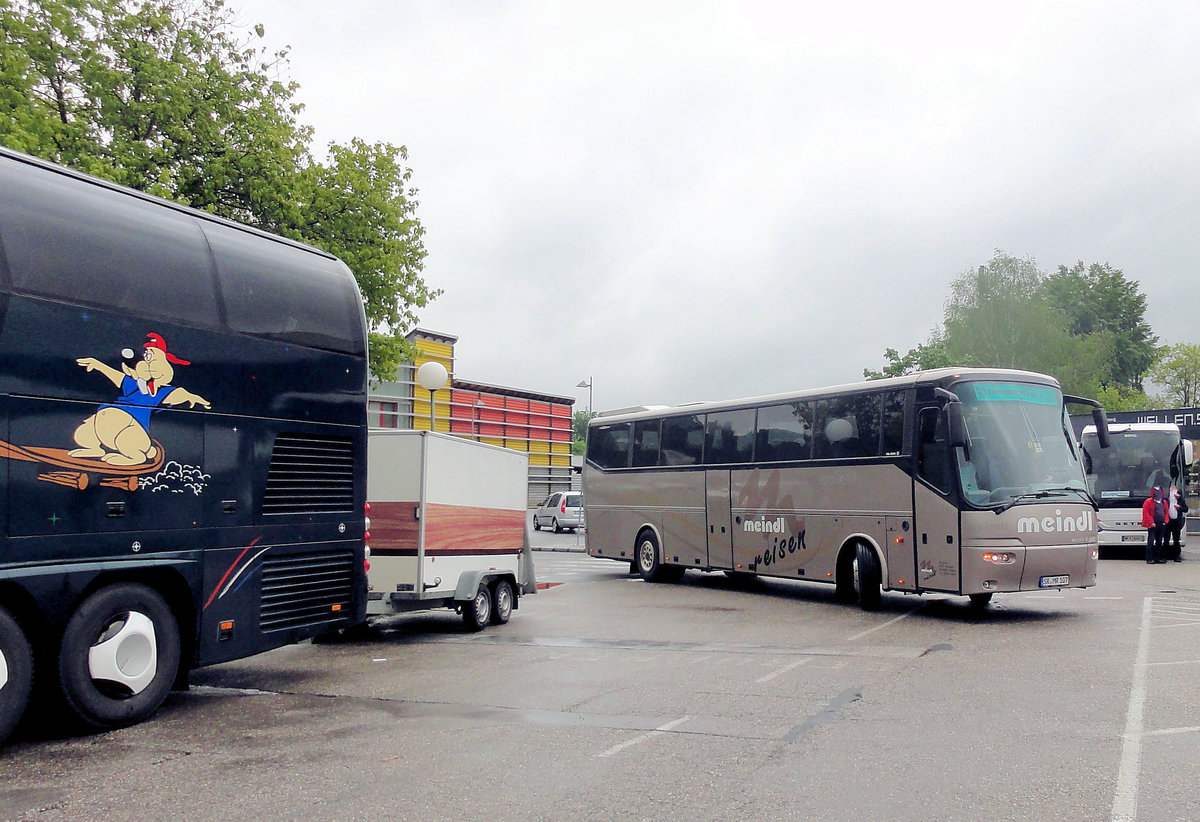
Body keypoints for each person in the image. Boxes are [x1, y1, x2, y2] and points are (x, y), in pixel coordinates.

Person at [1141, 486, 1168, 564]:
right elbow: (1146, 513)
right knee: (1151, 541)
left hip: (1161, 524)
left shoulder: (1164, 502)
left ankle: (1157, 558)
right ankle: (1149, 558)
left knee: (1159, 542)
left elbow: (1166, 512)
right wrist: (1151, 522)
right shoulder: (1148, 501)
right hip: (1152, 525)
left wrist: (1165, 521)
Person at [1165, 484, 1189, 562]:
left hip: (1176, 522)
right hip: (1168, 521)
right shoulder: (1166, 499)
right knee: (1166, 539)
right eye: (1172, 489)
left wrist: (1180, 507)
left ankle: (1177, 556)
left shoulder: (1180, 500)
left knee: (1176, 540)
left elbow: (1186, 509)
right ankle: (1164, 556)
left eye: (1174, 489)